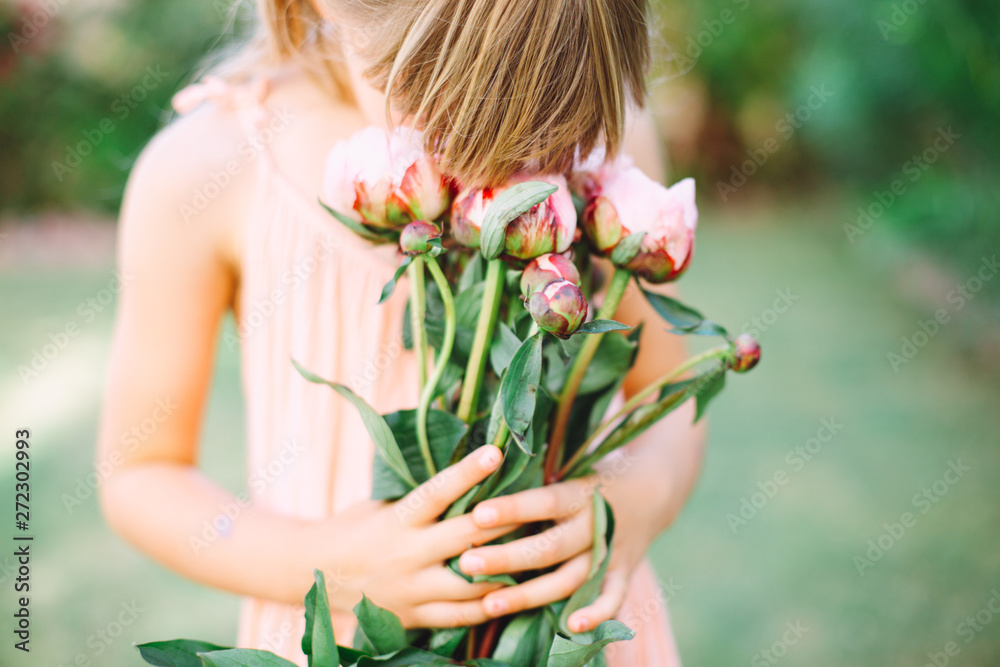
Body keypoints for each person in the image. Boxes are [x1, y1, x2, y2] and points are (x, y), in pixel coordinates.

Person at [97, 1, 705, 663]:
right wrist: (331, 566)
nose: (490, 166)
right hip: (341, 626)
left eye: (535, 122)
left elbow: (667, 394)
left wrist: (639, 497)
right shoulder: (206, 171)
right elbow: (140, 471)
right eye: (445, 105)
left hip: (567, 631)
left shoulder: (605, 140)